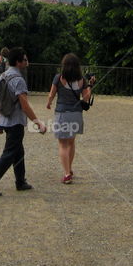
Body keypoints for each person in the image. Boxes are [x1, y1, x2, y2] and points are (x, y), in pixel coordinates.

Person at [0, 47, 47, 197]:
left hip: (6, 120)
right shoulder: (19, 81)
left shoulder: (2, 76)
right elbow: (25, 106)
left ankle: (20, 181)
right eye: (25, 60)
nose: (27, 62)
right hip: (15, 122)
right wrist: (38, 123)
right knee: (9, 154)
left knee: (18, 151)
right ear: (18, 62)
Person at [45, 53, 94, 184]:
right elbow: (86, 98)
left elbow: (51, 94)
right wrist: (90, 85)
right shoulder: (82, 80)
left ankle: (66, 173)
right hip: (76, 113)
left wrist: (48, 103)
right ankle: (70, 168)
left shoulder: (58, 78)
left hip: (62, 113)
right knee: (71, 142)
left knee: (62, 144)